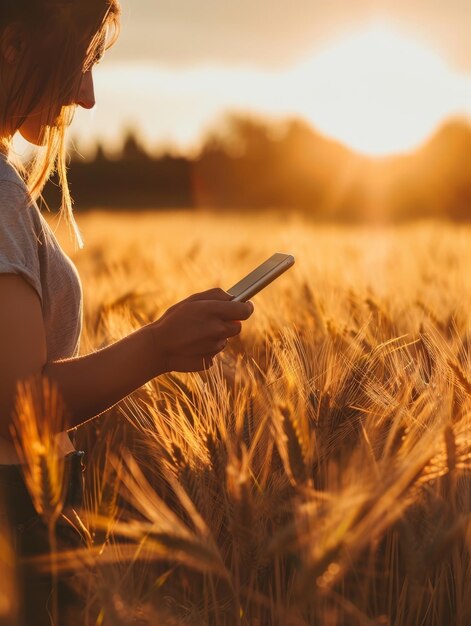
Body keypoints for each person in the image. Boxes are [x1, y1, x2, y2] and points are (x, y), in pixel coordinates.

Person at [0, 1, 254, 623]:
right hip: (13, 522)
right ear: (11, 48)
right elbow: (18, 404)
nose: (87, 96)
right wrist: (158, 348)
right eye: (82, 63)